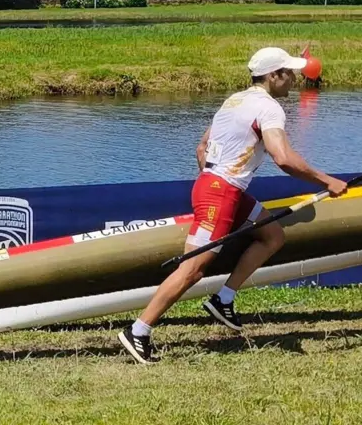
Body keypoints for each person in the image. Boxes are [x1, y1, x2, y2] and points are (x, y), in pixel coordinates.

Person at [118, 47, 348, 365]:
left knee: (272, 235)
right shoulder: (269, 109)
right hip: (221, 194)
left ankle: (223, 299)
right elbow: (283, 159)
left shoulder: (235, 100)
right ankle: (138, 331)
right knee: (193, 269)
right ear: (273, 76)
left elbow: (201, 148)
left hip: (222, 190)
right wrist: (327, 181)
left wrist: (215, 181)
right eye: (289, 73)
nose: (294, 79)